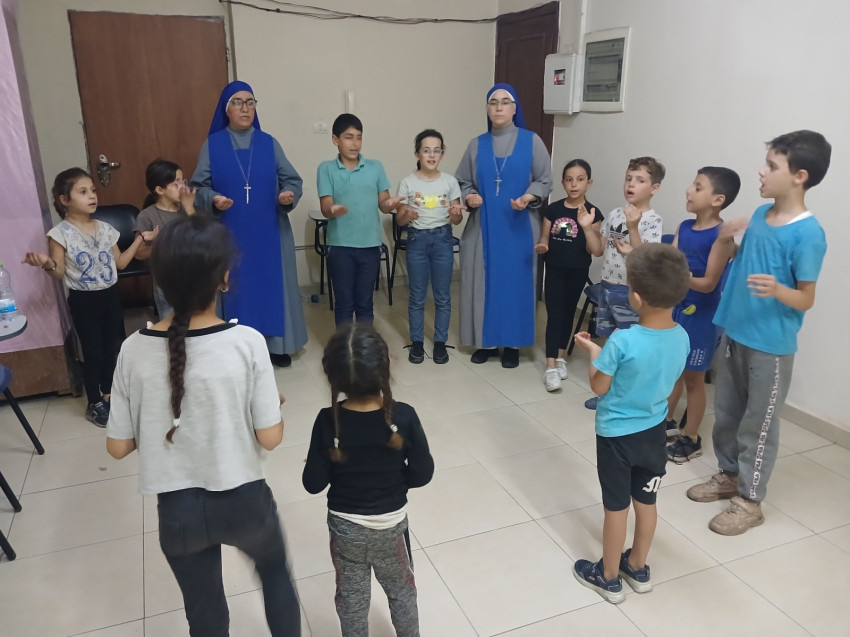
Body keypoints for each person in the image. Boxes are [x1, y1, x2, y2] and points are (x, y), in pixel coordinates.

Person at [106, 215, 301, 636]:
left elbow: (118, 447)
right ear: (223, 278)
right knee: (275, 575)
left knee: (204, 612)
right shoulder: (247, 342)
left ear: (160, 280)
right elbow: (270, 437)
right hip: (245, 501)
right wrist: (266, 405)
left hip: (177, 513)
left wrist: (154, 412)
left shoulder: (132, 350)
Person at [686, 130, 830, 536]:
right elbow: (738, 259)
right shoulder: (760, 216)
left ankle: (750, 501)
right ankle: (728, 475)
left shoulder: (808, 234)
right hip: (735, 333)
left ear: (799, 176)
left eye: (771, 165)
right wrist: (726, 239)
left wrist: (778, 290)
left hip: (771, 347)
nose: (761, 172)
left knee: (758, 424)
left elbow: (806, 298)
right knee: (727, 414)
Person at [572, 243, 690, 603]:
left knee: (616, 507)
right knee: (647, 501)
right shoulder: (682, 336)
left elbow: (599, 386)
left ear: (635, 297)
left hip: (616, 437)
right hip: (654, 434)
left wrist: (595, 355)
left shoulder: (622, 341)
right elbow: (665, 378)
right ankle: (637, 566)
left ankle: (608, 576)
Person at [303, 324, 434, 637]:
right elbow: (422, 473)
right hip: (390, 527)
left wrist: (320, 462)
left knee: (351, 600)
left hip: (345, 530)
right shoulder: (404, 416)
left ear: (333, 377)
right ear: (385, 368)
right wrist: (395, 479)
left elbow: (313, 483)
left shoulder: (327, 420)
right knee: (402, 592)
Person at [22, 168, 157, 427]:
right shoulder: (60, 234)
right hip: (84, 301)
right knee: (93, 351)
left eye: (93, 190)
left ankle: (108, 393)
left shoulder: (105, 229)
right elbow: (58, 273)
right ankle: (94, 401)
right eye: (83, 192)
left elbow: (120, 263)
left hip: (110, 295)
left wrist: (140, 239)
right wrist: (47, 263)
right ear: (64, 200)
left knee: (112, 346)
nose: (92, 196)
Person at [191, 80, 306, 367]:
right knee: (238, 290)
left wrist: (287, 195)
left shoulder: (269, 143)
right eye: (238, 102)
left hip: (270, 232)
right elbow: (198, 187)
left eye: (250, 102)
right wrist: (214, 199)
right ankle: (236, 348)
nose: (245, 108)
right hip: (230, 233)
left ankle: (276, 347)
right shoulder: (213, 145)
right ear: (226, 109)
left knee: (270, 288)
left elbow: (292, 180)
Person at [455, 83, 553, 368]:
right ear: (487, 109)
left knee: (514, 285)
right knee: (482, 283)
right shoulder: (476, 145)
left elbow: (545, 179)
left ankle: (511, 344)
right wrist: (470, 195)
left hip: (518, 227)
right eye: (493, 102)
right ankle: (485, 342)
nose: (499, 107)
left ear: (514, 108)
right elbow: (462, 181)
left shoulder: (532, 141)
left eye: (505, 102)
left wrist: (529, 196)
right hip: (483, 227)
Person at [664, 167, 741, 462]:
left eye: (698, 187)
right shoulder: (684, 227)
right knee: (673, 371)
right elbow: (670, 260)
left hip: (701, 318)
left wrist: (678, 276)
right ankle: (665, 422)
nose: (688, 190)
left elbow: (709, 283)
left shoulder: (721, 236)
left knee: (694, 380)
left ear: (718, 199)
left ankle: (691, 437)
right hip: (677, 309)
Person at [584, 156, 665, 410]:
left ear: (654, 188)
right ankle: (608, 393)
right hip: (607, 286)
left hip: (631, 293)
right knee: (610, 344)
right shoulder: (614, 213)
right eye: (629, 178)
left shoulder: (653, 220)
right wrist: (586, 229)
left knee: (630, 347)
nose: (631, 184)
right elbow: (598, 250)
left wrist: (633, 227)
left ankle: (627, 396)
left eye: (640, 180)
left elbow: (645, 259)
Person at [317, 113, 405, 326]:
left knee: (365, 303)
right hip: (340, 247)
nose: (355, 143)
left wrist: (391, 204)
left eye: (359, 137)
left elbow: (383, 204)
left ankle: (365, 346)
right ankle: (344, 347)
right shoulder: (326, 168)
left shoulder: (375, 167)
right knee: (344, 304)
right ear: (335, 139)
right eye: (349, 137)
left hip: (370, 246)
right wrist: (333, 209)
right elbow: (325, 207)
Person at [534, 159, 604, 391]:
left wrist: (587, 226)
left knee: (567, 315)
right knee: (554, 315)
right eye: (569, 179)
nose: (574, 184)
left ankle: (560, 356)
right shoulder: (553, 209)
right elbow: (545, 237)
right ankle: (550, 367)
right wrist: (543, 245)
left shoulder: (593, 213)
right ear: (563, 183)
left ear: (589, 182)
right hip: (554, 269)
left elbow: (595, 249)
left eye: (580, 179)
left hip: (578, 271)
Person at [396, 129, 464, 364]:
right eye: (426, 150)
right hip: (417, 240)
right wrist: (407, 215)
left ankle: (440, 342)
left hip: (443, 239)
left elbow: (457, 219)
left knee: (443, 295)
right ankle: (416, 342)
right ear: (417, 154)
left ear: (442, 154)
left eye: (436, 150)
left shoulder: (450, 182)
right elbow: (400, 220)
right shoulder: (407, 182)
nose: (431, 155)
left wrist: (455, 213)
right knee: (417, 295)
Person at [135, 159, 197, 318]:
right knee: (171, 323)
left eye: (183, 181)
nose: (183, 187)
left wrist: (189, 208)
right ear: (160, 190)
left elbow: (201, 237)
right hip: (166, 282)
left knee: (197, 322)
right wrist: (162, 245)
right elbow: (139, 253)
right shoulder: (147, 216)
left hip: (192, 276)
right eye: (176, 183)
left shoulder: (187, 209)